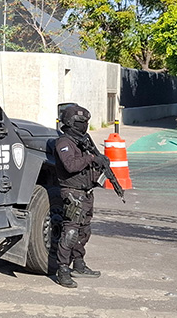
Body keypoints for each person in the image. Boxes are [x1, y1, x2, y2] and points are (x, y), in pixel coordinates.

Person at [53, 104, 106, 288]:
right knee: (70, 232)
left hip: (86, 192)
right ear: (70, 122)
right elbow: (71, 166)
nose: (84, 125)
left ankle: (79, 264)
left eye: (86, 122)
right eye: (81, 122)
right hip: (72, 192)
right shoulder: (64, 142)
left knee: (84, 231)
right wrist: (90, 158)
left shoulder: (83, 140)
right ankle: (62, 270)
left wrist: (100, 162)